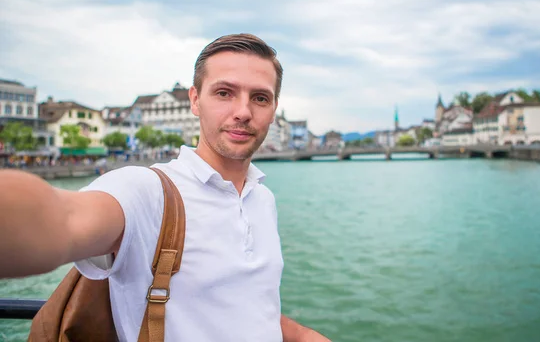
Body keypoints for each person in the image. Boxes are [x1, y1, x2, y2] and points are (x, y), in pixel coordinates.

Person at [0, 33, 331, 342]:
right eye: (224, 93)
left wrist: (301, 335)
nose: (243, 112)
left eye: (260, 98)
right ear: (195, 100)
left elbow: (248, 308)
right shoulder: (147, 190)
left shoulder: (262, 197)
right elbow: (62, 220)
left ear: (273, 109)